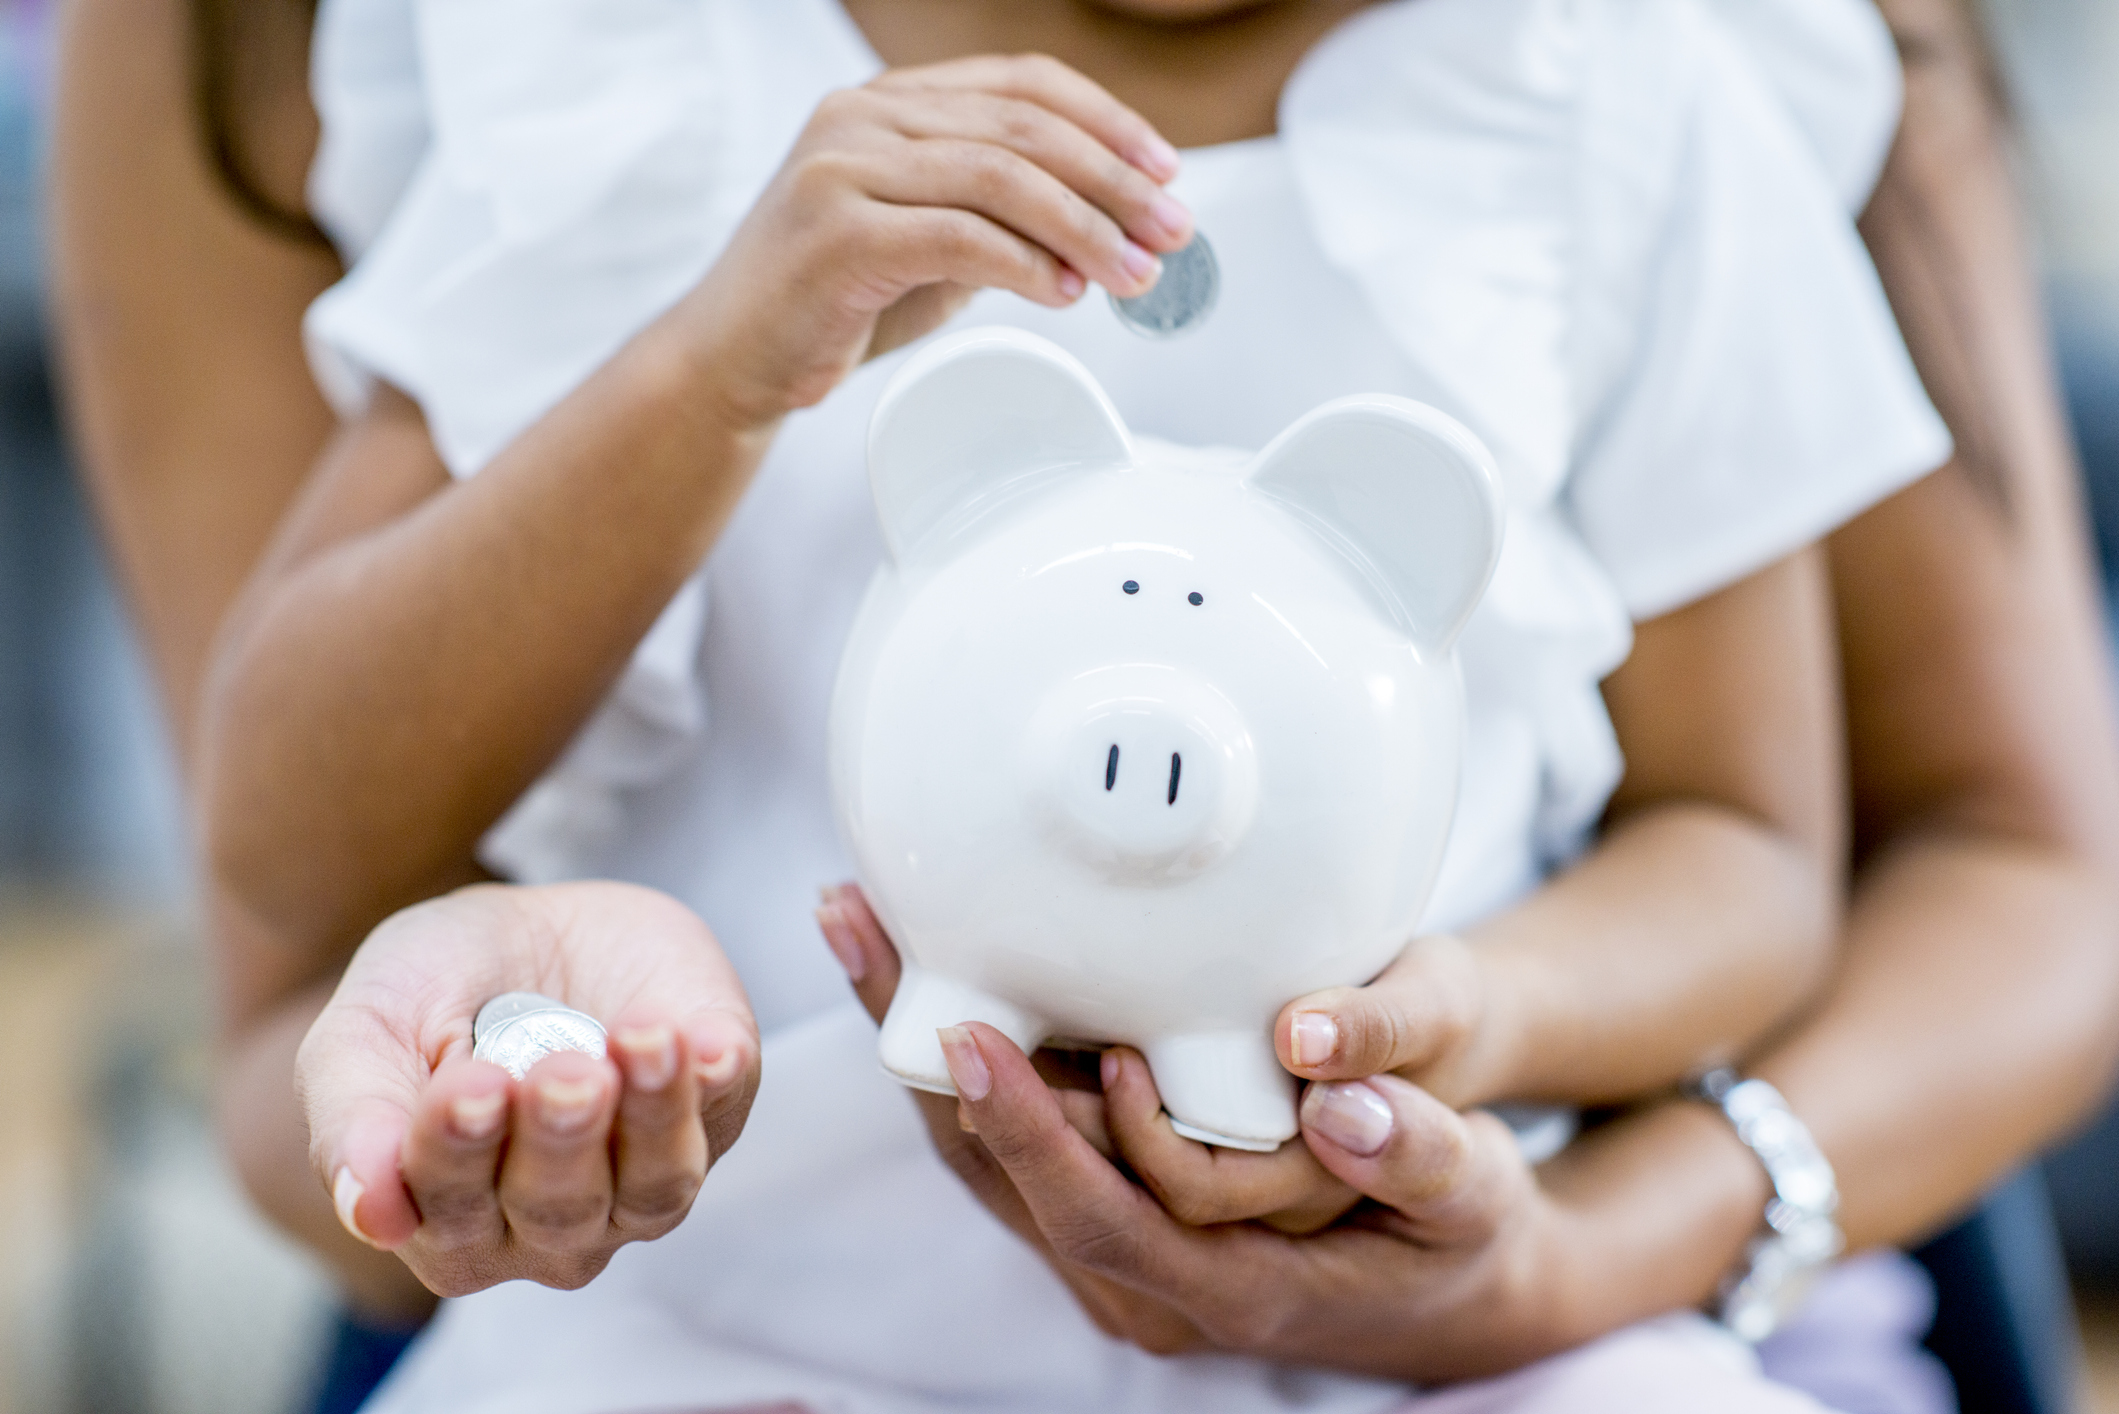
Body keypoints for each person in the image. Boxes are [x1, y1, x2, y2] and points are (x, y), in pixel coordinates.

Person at [40, 0, 2117, 1409]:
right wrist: (715, 364)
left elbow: (1750, 849)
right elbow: (283, 836)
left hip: (1461, 1349)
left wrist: (1470, 1030)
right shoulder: (627, 84)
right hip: (726, 1319)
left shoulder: (1599, 88)